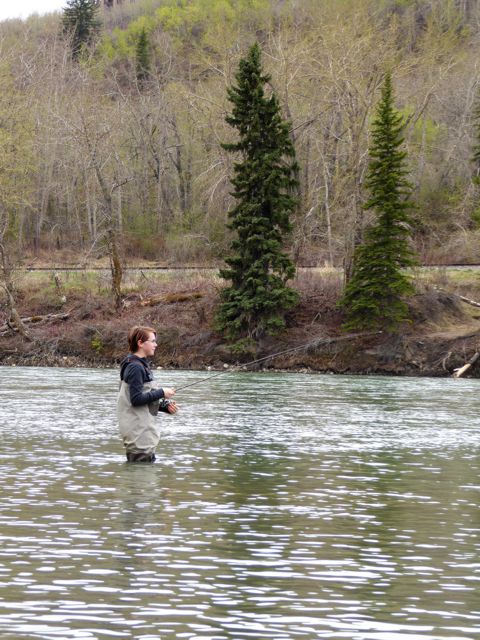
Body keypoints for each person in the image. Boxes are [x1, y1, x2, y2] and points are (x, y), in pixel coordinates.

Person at [117, 325, 177, 463]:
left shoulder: (137, 364)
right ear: (140, 343)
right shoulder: (135, 367)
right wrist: (162, 392)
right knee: (141, 481)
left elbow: (142, 397)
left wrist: (164, 406)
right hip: (139, 437)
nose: (156, 345)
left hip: (142, 434)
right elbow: (136, 399)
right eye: (153, 341)